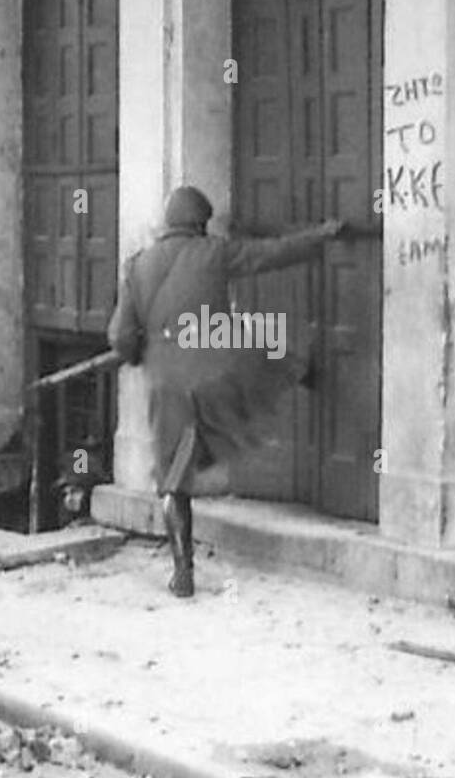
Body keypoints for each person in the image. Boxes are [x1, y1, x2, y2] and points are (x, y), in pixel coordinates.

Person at [107, 186, 344, 597]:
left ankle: (183, 573)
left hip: (167, 385)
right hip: (217, 371)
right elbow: (272, 254)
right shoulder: (214, 252)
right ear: (199, 223)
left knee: (172, 479)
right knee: (261, 350)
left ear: (168, 223)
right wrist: (322, 234)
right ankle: (298, 370)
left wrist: (141, 351)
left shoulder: (137, 267)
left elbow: (120, 337)